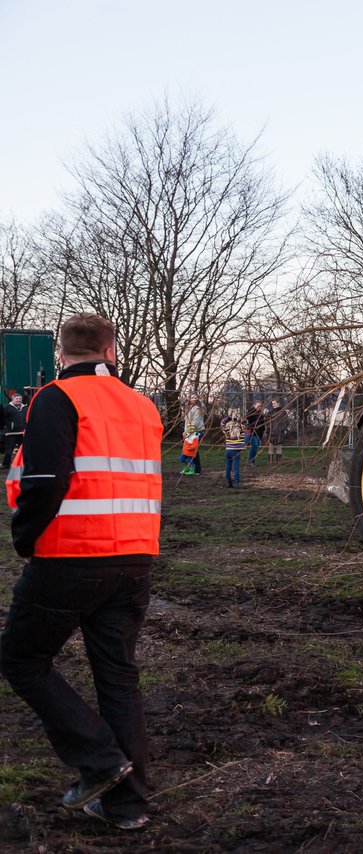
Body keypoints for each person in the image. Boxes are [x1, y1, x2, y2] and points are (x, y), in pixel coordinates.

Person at [0, 312, 162, 831]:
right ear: (111, 352)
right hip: (135, 558)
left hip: (71, 556)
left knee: (21, 658)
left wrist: (24, 537)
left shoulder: (55, 397)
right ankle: (128, 805)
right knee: (117, 677)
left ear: (61, 356)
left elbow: (45, 480)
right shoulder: (143, 405)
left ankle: (100, 760)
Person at [221, 410, 248, 488]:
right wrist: (241, 419)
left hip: (229, 449)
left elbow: (222, 423)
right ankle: (236, 481)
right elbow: (246, 423)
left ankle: (229, 482)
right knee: (236, 466)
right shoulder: (241, 427)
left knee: (228, 466)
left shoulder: (226, 428)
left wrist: (227, 418)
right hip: (237, 450)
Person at [2, 392, 26, 467]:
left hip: (22, 433)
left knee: (23, 451)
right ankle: (5, 465)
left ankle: (23, 464)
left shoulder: (25, 408)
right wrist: (8, 426)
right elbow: (2, 419)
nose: (18, 400)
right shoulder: (7, 408)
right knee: (9, 451)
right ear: (12, 399)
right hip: (10, 433)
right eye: (17, 399)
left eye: (20, 399)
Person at [182, 397, 205, 475]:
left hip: (196, 431)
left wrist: (188, 432)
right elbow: (187, 422)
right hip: (189, 432)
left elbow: (195, 422)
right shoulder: (188, 408)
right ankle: (191, 468)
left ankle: (196, 469)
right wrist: (185, 432)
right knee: (191, 450)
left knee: (193, 450)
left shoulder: (198, 409)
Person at [265, 398, 286, 464]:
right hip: (271, 432)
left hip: (280, 432)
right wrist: (269, 428)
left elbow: (286, 422)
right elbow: (267, 421)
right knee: (270, 447)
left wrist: (282, 429)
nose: (273, 405)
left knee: (279, 447)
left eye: (274, 403)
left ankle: (278, 461)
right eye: (272, 403)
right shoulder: (270, 412)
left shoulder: (283, 412)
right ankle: (270, 461)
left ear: (278, 403)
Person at [245, 400, 265, 466]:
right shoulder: (251, 412)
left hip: (258, 433)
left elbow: (262, 423)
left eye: (260, 406)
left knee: (255, 447)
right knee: (254, 445)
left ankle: (252, 461)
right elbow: (248, 420)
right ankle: (251, 461)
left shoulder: (260, 414)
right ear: (254, 405)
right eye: (258, 406)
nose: (259, 407)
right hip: (251, 432)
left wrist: (261, 432)